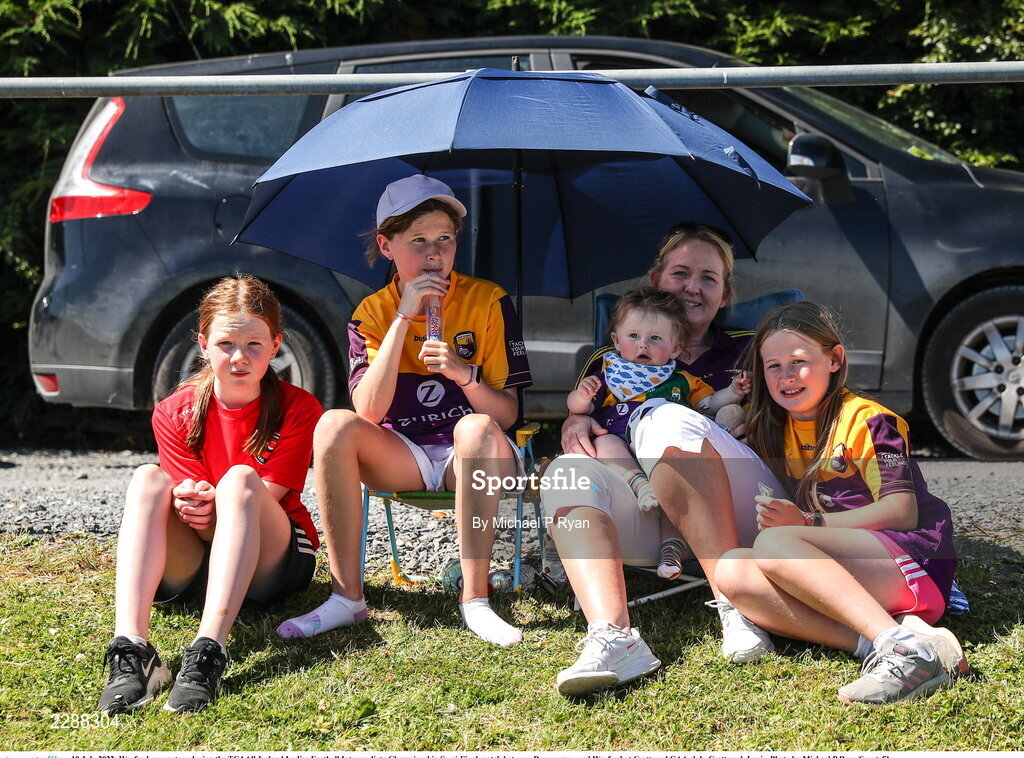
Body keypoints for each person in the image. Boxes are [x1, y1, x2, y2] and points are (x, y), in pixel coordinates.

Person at [277, 175, 532, 647]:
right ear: (386, 245)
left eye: (445, 240)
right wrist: (402, 318)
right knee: (334, 424)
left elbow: (508, 415)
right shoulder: (371, 312)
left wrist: (464, 375)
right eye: (418, 241)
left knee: (475, 426)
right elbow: (368, 411)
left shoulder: (487, 300)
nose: (434, 254)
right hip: (404, 453)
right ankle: (346, 598)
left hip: (474, 458)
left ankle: (475, 601)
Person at [546, 223, 782, 697]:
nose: (693, 286)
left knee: (664, 417)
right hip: (654, 507)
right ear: (656, 279)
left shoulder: (751, 349)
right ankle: (613, 636)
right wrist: (572, 424)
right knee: (565, 470)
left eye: (708, 278)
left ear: (725, 293)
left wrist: (752, 422)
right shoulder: (611, 360)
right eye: (681, 273)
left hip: (745, 506)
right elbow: (589, 421)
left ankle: (735, 600)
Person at [714, 301, 967, 705]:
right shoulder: (772, 425)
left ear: (834, 359)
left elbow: (902, 512)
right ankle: (897, 644)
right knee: (731, 571)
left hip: (915, 561)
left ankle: (898, 646)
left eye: (798, 361)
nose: (786, 376)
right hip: (853, 573)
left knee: (774, 544)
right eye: (773, 365)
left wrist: (808, 523)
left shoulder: (870, 419)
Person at [98, 276, 322, 714]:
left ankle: (207, 653)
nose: (240, 357)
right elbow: (188, 498)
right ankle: (131, 651)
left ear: (276, 344)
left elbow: (264, 496)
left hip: (271, 563)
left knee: (241, 481)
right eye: (226, 344)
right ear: (203, 343)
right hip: (195, 559)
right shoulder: (174, 410)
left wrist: (207, 505)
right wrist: (194, 504)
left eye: (254, 344)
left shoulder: (300, 408)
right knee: (147, 478)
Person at [565, 286, 749, 580]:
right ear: (616, 340)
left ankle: (671, 549)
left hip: (663, 456)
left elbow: (709, 403)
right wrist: (582, 396)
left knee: (675, 484)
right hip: (623, 454)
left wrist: (732, 393)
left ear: (675, 348)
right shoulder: (610, 375)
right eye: (634, 336)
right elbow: (577, 409)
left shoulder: (682, 379)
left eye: (656, 339)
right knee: (607, 441)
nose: (643, 346)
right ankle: (638, 483)